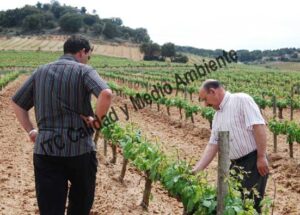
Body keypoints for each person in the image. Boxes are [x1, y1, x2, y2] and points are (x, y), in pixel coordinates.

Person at [11, 35, 112, 215]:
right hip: (80, 149)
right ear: (82, 52)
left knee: (50, 208)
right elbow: (105, 94)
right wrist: (96, 122)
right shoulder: (84, 71)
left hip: (46, 149)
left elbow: (17, 103)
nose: (88, 58)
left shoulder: (40, 71)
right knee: (80, 204)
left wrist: (31, 130)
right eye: (89, 55)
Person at [192, 79, 269, 213]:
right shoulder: (217, 116)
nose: (205, 104)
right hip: (234, 166)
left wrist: (261, 157)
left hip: (252, 163)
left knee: (249, 206)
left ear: (213, 92)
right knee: (233, 204)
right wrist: (197, 169)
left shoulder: (241, 100)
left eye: (205, 99)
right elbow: (213, 144)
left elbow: (259, 126)